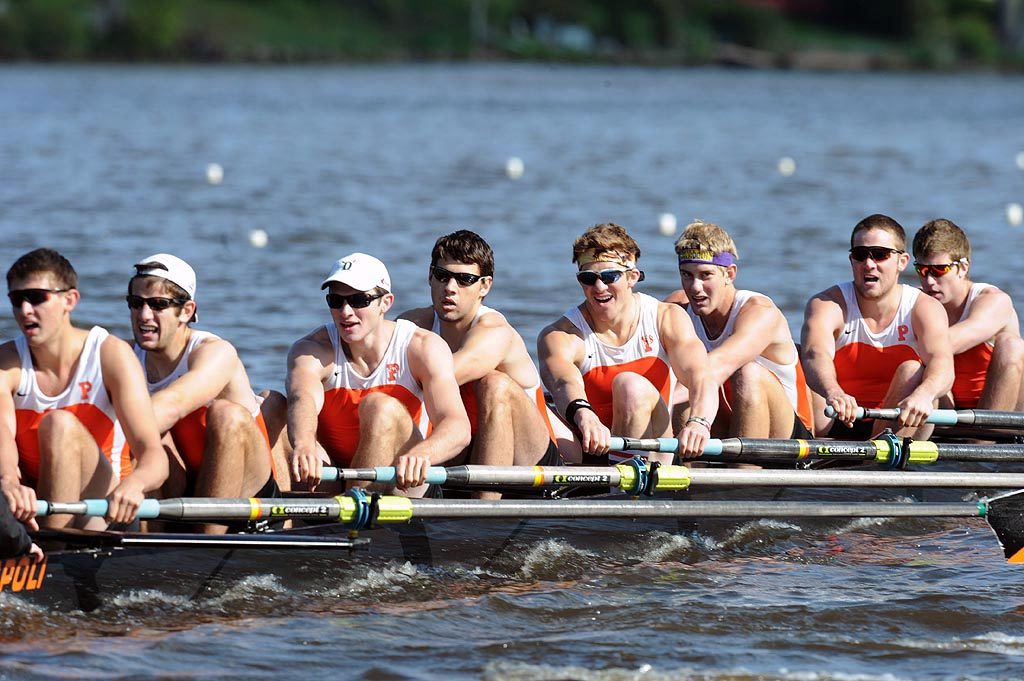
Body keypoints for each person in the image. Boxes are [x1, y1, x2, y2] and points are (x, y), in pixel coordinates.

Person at [399, 231, 579, 498]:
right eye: (442, 275)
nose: (450, 287)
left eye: (465, 280)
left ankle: (483, 514)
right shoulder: (412, 324)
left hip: (533, 465)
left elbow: (446, 376)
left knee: (494, 384)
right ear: (430, 276)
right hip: (465, 453)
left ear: (484, 286)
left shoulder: (494, 331)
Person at [0, 248, 168, 531]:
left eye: (38, 298)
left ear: (70, 299)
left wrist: (135, 485)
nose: (25, 310)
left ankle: (50, 553)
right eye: (17, 300)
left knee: (59, 423)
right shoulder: (6, 362)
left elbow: (154, 456)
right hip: (33, 504)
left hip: (105, 510)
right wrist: (8, 481)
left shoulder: (110, 354)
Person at [286, 252, 470, 494]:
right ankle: (277, 524)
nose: (346, 311)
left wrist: (422, 454)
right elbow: (303, 398)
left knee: (380, 407)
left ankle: (350, 515)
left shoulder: (422, 347)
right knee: (272, 404)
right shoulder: (311, 350)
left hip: (404, 478)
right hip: (333, 475)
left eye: (359, 300)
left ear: (386, 303)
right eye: (336, 301)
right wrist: (304, 442)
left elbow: (457, 427)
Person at [538, 223, 718, 465]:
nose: (599, 287)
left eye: (610, 276)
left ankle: (622, 487)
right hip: (592, 447)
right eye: (588, 278)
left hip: (654, 449)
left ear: (632, 277)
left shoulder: (666, 318)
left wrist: (699, 423)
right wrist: (584, 414)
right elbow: (562, 383)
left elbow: (702, 378)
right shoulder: (560, 335)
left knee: (629, 385)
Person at [127, 254, 283, 533]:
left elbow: (173, 404)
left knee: (226, 414)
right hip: (182, 487)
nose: (144, 315)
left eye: (158, 304)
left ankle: (206, 543)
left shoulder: (215, 352)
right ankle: (151, 546)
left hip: (249, 498)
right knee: (150, 436)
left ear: (186, 311)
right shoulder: (125, 356)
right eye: (136, 303)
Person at [801, 214, 954, 439]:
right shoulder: (827, 304)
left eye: (880, 255)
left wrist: (924, 394)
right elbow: (816, 354)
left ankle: (876, 456)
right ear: (852, 260)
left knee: (913, 370)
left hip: (898, 417)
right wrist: (835, 393)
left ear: (902, 262)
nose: (869, 264)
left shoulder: (924, 308)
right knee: (794, 355)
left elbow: (943, 366)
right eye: (860, 255)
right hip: (836, 414)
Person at [667, 220, 814, 440]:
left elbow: (719, 366)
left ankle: (743, 472)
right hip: (723, 424)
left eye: (706, 275)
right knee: (676, 374)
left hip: (789, 437)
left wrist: (658, 400)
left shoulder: (759, 312)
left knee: (746, 373)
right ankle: (690, 469)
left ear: (730, 274)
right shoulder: (677, 308)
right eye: (687, 275)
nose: (695, 287)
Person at [912, 219, 1024, 410]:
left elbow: (946, 343)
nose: (929, 281)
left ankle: (986, 437)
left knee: (1011, 345)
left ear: (963, 268)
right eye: (922, 270)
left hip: (999, 413)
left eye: (939, 270)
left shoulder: (993, 301)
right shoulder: (917, 300)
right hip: (948, 408)